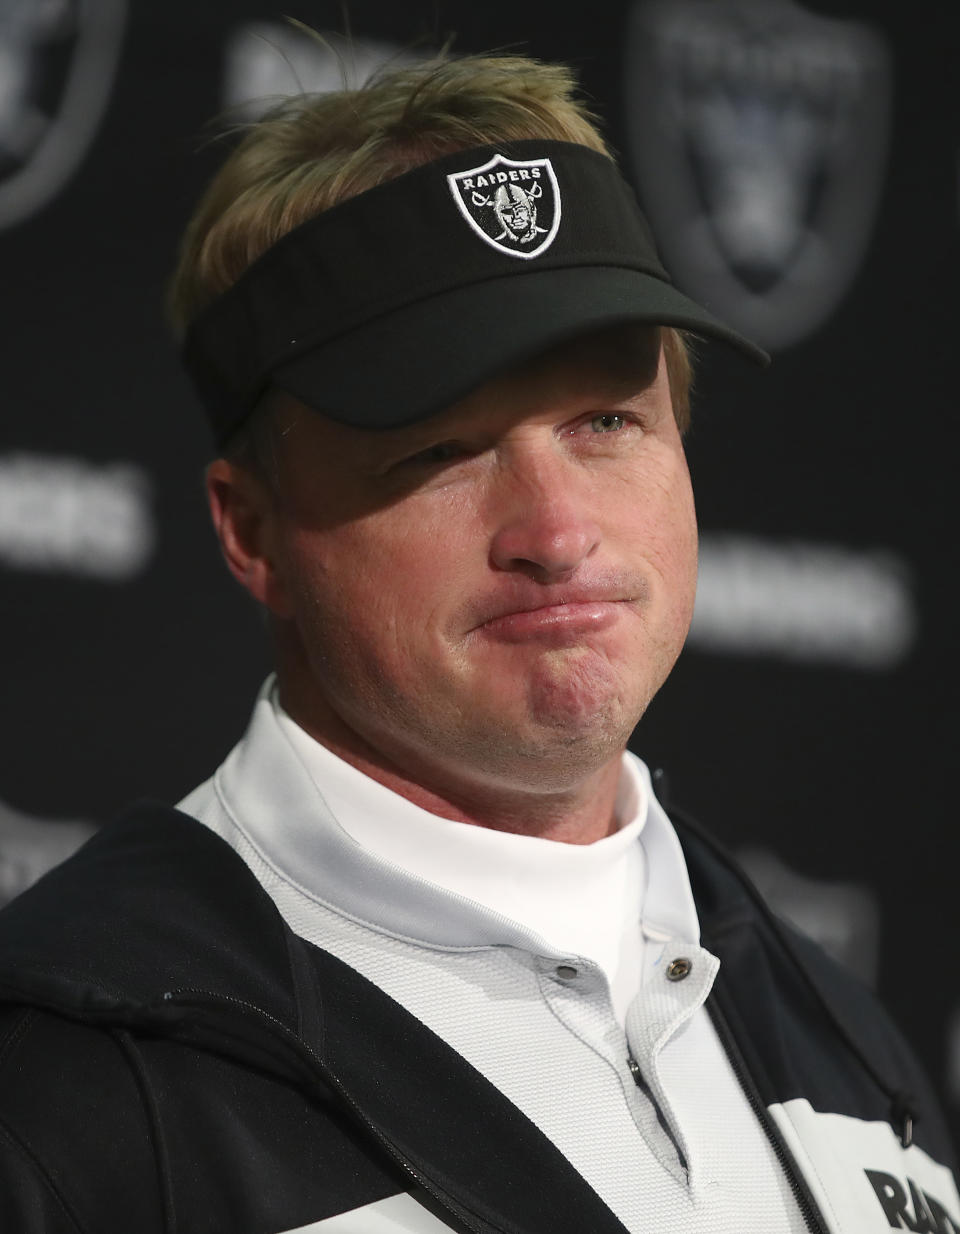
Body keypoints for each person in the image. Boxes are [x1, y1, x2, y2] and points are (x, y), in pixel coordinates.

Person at [0, 52, 956, 1234]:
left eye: (608, 421)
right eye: (441, 450)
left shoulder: (843, 1035)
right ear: (251, 529)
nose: (556, 532)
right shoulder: (61, 1087)